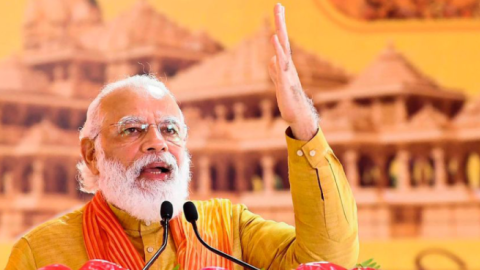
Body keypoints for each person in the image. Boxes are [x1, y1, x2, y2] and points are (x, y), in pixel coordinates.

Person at [5, 4, 358, 270]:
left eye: (171, 130)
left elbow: (327, 260)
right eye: (132, 129)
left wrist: (302, 123)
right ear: (92, 153)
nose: (157, 143)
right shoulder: (40, 252)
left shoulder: (228, 230)